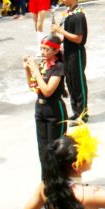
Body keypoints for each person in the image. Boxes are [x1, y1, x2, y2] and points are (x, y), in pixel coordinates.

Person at [23, 35, 69, 177]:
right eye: (41, 48)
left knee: (55, 149)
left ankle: (60, 182)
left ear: (55, 51)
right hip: (41, 109)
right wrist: (28, 70)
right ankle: (46, 181)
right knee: (43, 149)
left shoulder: (58, 67)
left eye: (46, 49)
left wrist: (36, 71)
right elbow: (32, 86)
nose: (42, 52)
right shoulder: (43, 65)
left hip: (54, 110)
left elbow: (48, 91)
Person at [51, 0, 89, 121]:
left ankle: (83, 113)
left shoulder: (78, 15)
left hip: (76, 53)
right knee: (70, 82)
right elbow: (67, 36)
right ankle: (76, 111)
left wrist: (60, 31)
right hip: (68, 51)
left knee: (78, 83)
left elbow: (78, 38)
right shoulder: (69, 12)